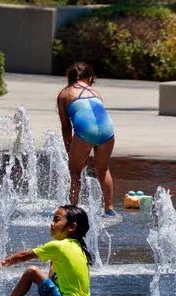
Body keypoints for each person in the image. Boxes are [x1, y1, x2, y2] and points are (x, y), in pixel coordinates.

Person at [0, 205, 91, 296]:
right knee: (54, 263)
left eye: (57, 220)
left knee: (32, 272)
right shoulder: (80, 248)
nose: (52, 223)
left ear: (72, 226)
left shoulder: (59, 246)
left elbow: (23, 256)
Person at [57, 61, 116, 217]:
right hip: (107, 130)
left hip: (85, 131)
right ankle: (109, 209)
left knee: (75, 171)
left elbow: (66, 126)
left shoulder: (65, 94)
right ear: (90, 78)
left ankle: (72, 211)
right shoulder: (96, 93)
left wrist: (69, 148)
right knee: (103, 169)